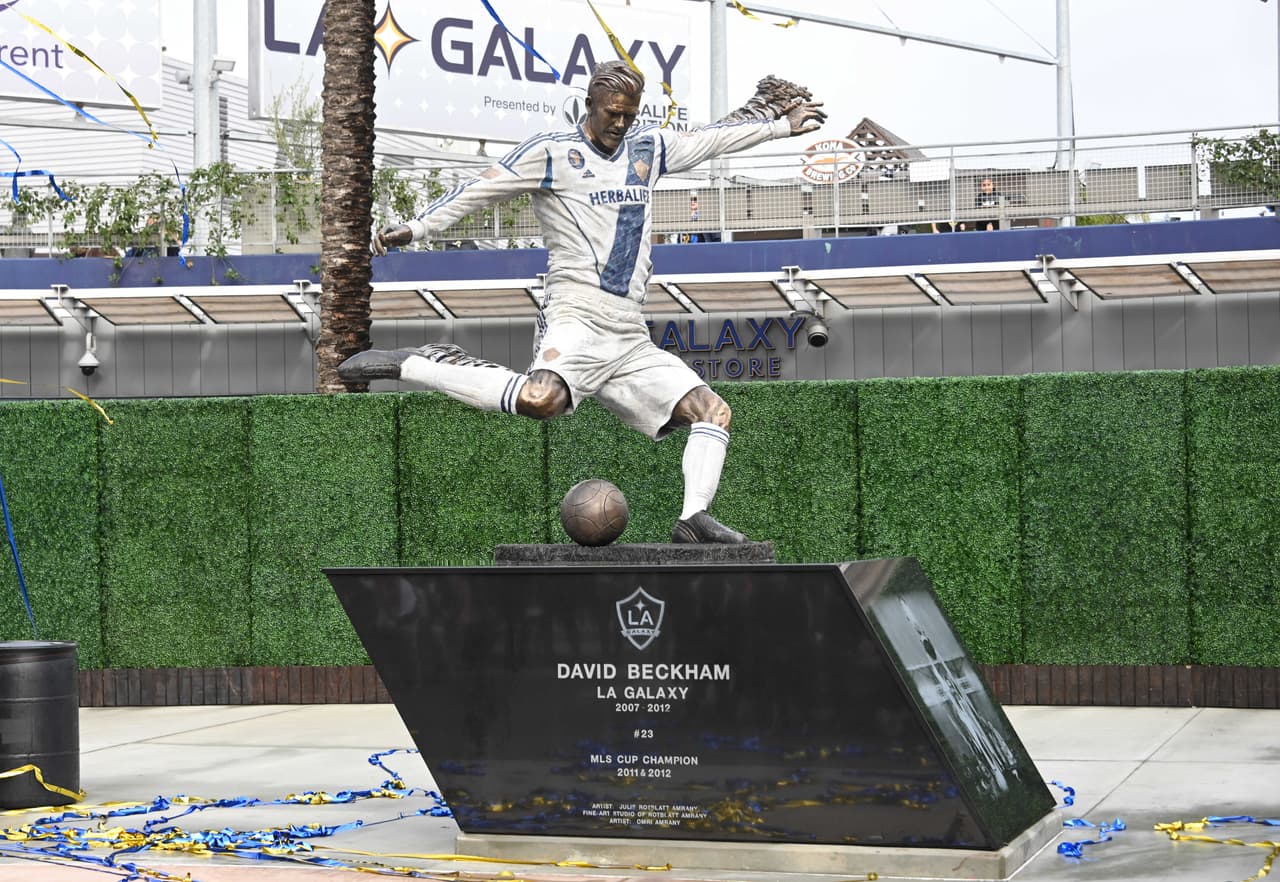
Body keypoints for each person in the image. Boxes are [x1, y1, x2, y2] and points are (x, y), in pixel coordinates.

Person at [340, 62, 825, 544]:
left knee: (712, 412)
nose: (620, 122)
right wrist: (417, 228)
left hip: (629, 332)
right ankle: (424, 363)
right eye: (612, 112)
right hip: (575, 313)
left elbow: (711, 139)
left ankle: (693, 520)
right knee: (540, 400)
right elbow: (481, 189)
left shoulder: (648, 148)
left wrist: (781, 126)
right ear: (589, 105)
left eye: (629, 114)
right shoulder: (552, 153)